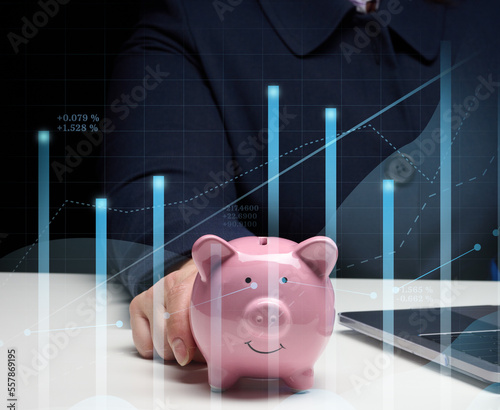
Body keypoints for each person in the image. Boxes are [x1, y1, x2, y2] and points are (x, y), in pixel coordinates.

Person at [103, 0, 499, 366]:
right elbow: (162, 192)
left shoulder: (484, 20)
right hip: (278, 364)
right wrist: (209, 273)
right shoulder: (199, 16)